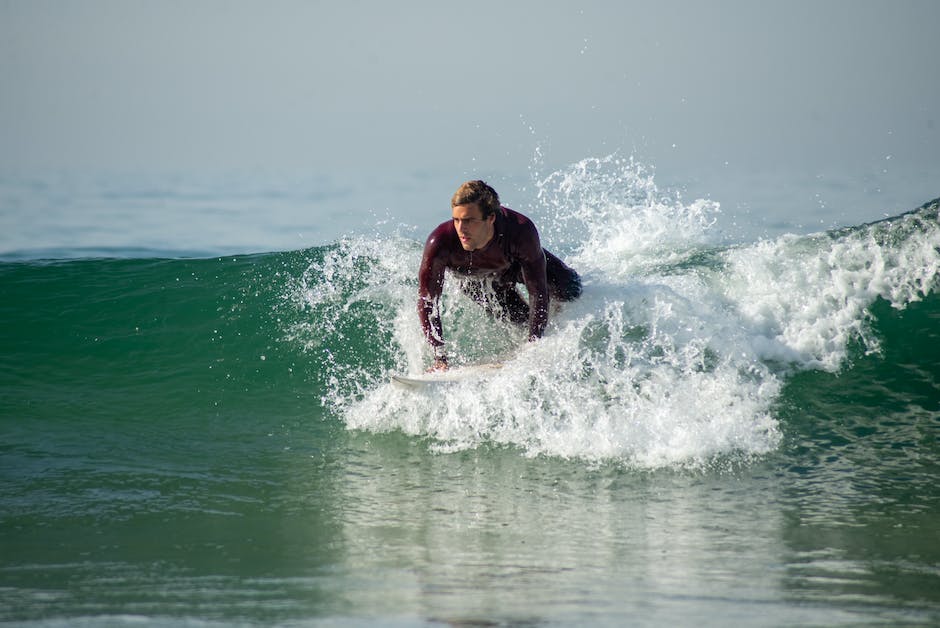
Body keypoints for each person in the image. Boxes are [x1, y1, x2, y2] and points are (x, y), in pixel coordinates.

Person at [418, 180, 581, 370]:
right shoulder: (440, 243)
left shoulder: (520, 231)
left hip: (514, 267)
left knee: (571, 289)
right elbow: (428, 301)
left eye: (469, 220)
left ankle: (550, 322)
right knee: (519, 318)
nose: (461, 228)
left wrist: (534, 346)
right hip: (477, 282)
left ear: (491, 218)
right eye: (456, 220)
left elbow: (537, 291)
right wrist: (440, 357)